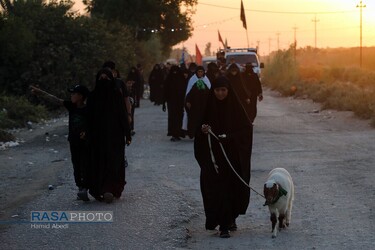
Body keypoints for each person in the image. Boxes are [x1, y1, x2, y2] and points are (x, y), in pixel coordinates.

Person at [194, 76, 253, 238]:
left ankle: (230, 219)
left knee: (232, 189)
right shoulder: (209, 107)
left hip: (232, 158)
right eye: (217, 90)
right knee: (217, 190)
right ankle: (224, 225)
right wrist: (203, 130)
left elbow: (246, 130)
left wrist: (230, 137)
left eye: (223, 90)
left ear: (228, 91)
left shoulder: (236, 108)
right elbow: (198, 130)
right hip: (214, 160)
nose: (220, 93)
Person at [30, 84, 91, 201]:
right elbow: (56, 100)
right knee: (76, 164)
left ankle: (85, 187)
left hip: (85, 142)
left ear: (81, 96)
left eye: (74, 94)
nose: (71, 95)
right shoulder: (71, 106)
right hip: (73, 141)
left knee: (85, 164)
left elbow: (93, 124)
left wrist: (87, 133)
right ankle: (80, 187)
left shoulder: (88, 109)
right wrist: (41, 92)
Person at [86, 68, 131, 203]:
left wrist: (127, 134)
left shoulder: (116, 95)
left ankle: (110, 189)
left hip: (115, 137)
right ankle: (98, 189)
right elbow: (88, 117)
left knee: (114, 162)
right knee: (98, 162)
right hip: (97, 138)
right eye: (101, 78)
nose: (104, 81)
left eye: (107, 78)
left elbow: (122, 115)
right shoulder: (93, 97)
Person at [183, 66, 211, 139]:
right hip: (195, 105)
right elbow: (189, 92)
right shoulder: (193, 80)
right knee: (194, 120)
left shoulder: (206, 80)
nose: (200, 73)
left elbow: (209, 92)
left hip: (204, 105)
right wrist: (188, 101)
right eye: (199, 72)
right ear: (196, 72)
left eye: (202, 71)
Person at [162, 65, 188, 141]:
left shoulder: (182, 79)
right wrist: (164, 103)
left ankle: (179, 133)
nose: (175, 73)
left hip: (180, 102)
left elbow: (185, 91)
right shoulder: (168, 79)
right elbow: (165, 91)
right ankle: (173, 134)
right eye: (173, 71)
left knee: (179, 117)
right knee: (172, 117)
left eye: (176, 71)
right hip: (171, 102)